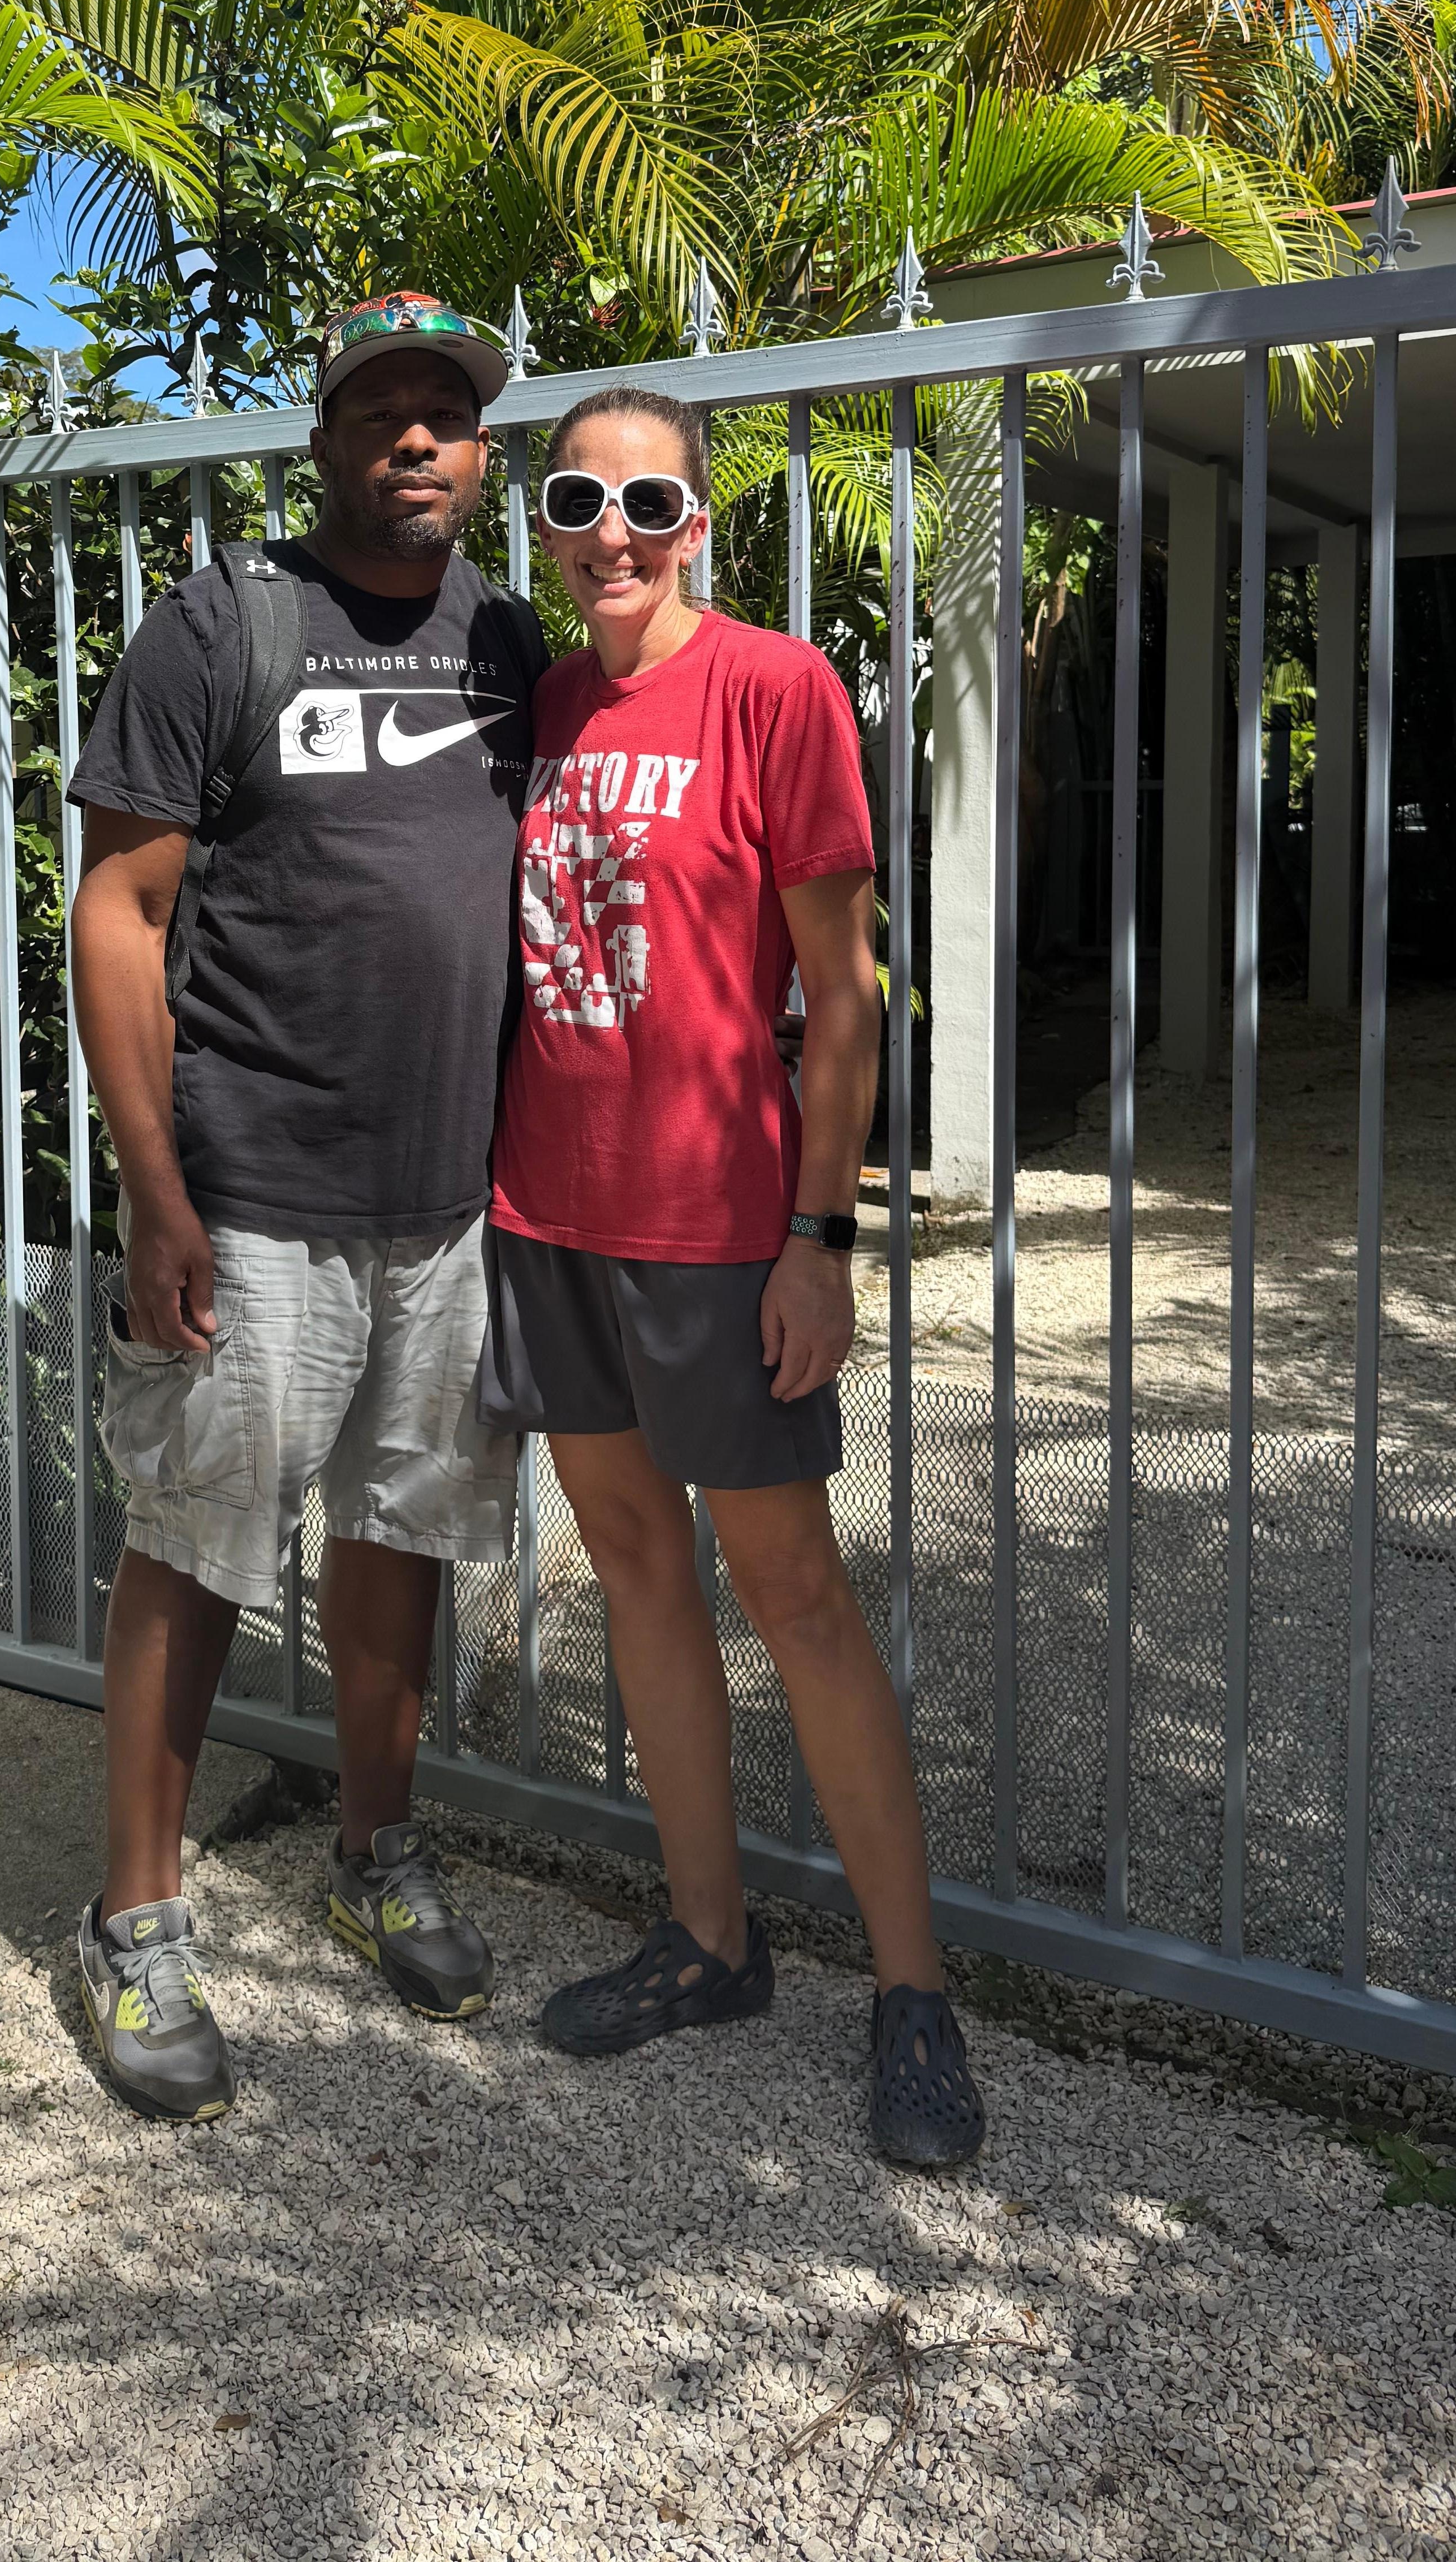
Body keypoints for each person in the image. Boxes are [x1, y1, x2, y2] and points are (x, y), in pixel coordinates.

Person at [478, 381, 986, 2169]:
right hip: (546, 1216)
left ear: (699, 521)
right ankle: (710, 1942)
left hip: (718, 1227)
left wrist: (821, 1235)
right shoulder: (540, 704)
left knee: (795, 1598)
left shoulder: (776, 689)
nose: (609, 534)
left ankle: (911, 1994)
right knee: (630, 1564)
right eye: (573, 502)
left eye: (646, 504)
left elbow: (837, 993)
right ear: (539, 528)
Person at [64, 292, 544, 2123]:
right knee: (193, 1541)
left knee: (399, 1535)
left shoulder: (511, 642)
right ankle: (134, 1922)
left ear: (481, 453)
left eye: (448, 413)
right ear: (324, 439)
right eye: (381, 410)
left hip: (447, 1202)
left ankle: (374, 1853)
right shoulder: (222, 626)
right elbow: (119, 912)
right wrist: (155, 1187)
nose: (416, 438)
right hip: (252, 1193)